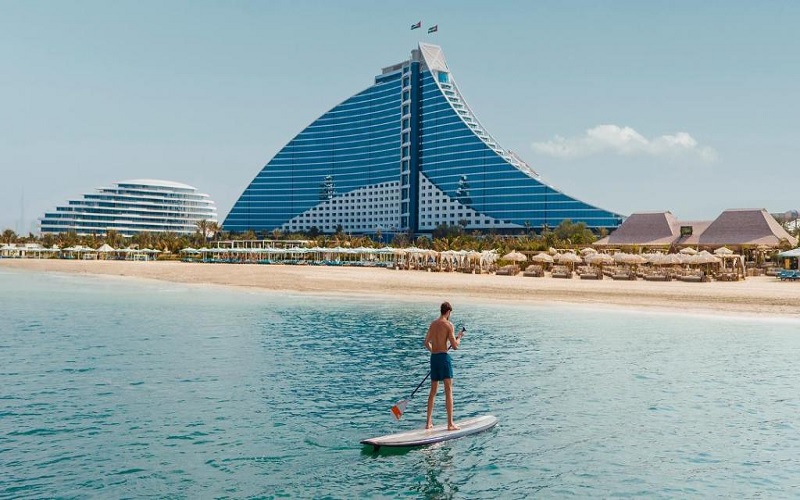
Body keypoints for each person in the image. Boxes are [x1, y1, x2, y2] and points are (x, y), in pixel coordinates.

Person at [423, 301, 465, 430]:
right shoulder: (448, 325)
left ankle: (428, 423)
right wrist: (460, 337)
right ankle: (450, 423)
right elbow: (455, 346)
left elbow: (426, 342)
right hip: (444, 359)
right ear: (448, 312)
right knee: (448, 391)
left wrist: (434, 351)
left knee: (433, 392)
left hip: (434, 358)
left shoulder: (433, 324)